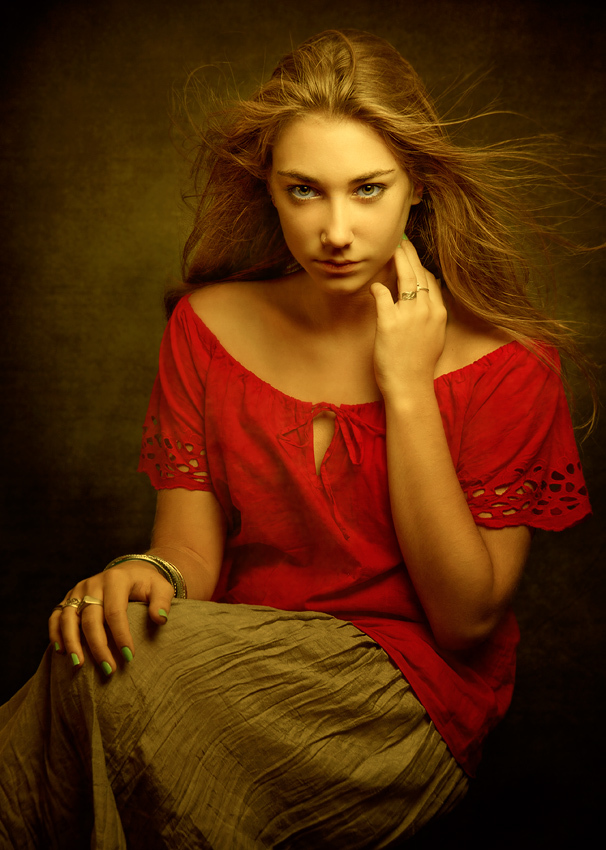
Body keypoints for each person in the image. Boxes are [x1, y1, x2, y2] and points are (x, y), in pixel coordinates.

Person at [0, 28, 594, 850]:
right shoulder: (206, 325)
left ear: (416, 186)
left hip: (404, 696)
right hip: (230, 666)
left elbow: (466, 622)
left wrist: (409, 386)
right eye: (305, 191)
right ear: (270, 192)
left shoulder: (509, 365)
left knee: (120, 680)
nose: (337, 230)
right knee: (100, 646)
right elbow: (189, 556)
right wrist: (145, 572)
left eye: (369, 189)